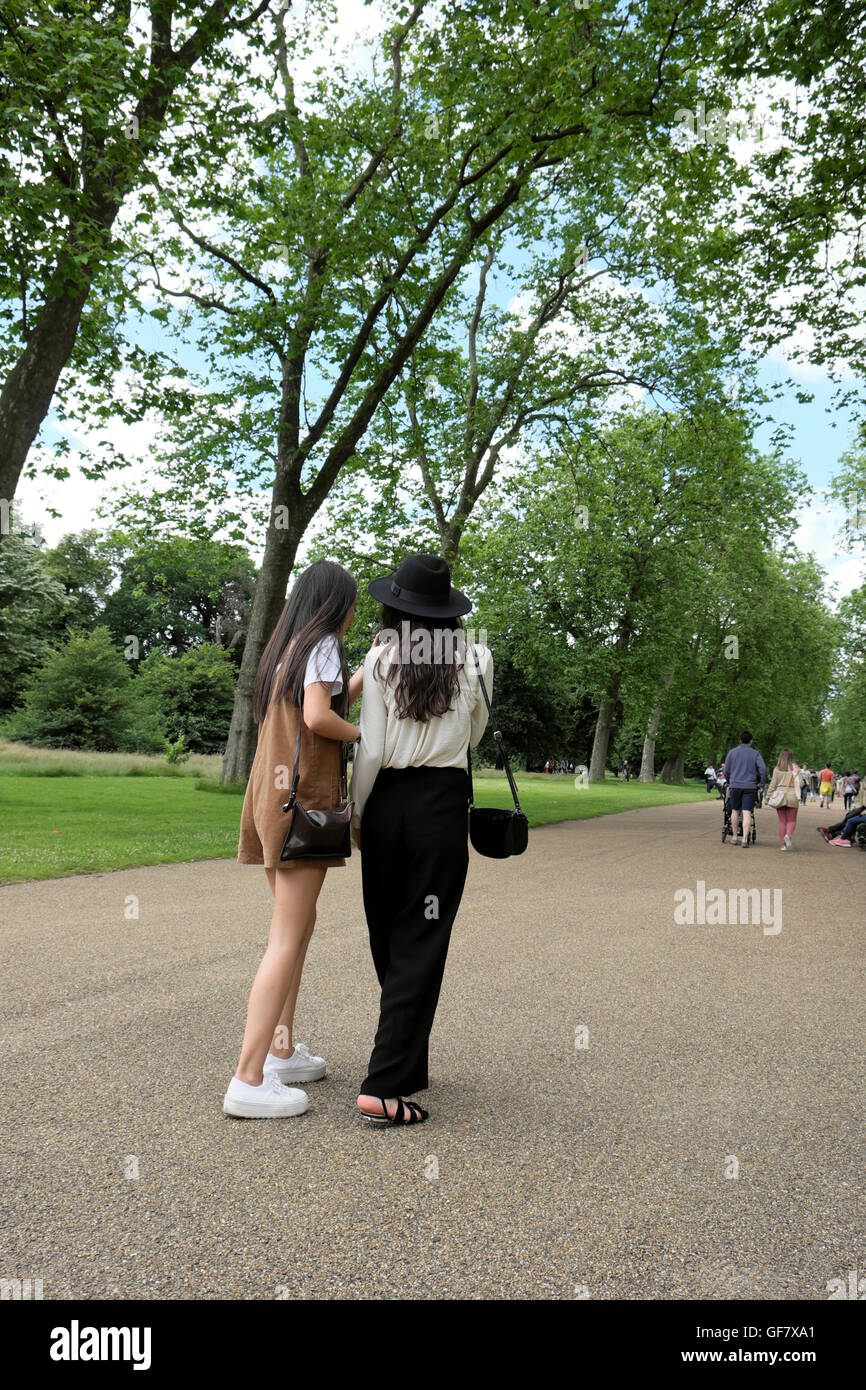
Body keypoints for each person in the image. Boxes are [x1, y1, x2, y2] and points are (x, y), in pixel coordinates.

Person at [350, 554, 492, 1126]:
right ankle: (389, 1078)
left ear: (396, 607)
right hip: (439, 806)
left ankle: (396, 1068)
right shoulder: (478, 657)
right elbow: (476, 734)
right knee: (423, 938)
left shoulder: (380, 658)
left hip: (386, 803)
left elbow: (374, 749)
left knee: (388, 932)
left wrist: (358, 813)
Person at [224, 560, 364, 1119]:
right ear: (336, 604)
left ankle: (280, 1052)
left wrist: (365, 678)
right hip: (303, 803)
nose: (355, 614)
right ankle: (248, 1078)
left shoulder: (288, 648)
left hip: (269, 798)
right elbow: (317, 717)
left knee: (296, 928)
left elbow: (321, 699)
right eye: (352, 603)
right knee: (286, 937)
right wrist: (364, 732)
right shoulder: (326, 641)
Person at [721, 730, 767, 847]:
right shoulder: (755, 754)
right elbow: (763, 770)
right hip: (750, 786)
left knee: (735, 810)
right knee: (747, 812)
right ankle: (745, 839)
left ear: (740, 740)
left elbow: (726, 771)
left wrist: (730, 780)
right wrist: (761, 784)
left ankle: (735, 837)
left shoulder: (732, 753)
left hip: (735, 785)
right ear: (751, 741)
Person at [764, 748, 802, 851]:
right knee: (792, 820)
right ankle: (788, 836)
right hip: (792, 796)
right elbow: (801, 783)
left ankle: (783, 845)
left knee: (782, 821)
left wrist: (767, 797)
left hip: (780, 796)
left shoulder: (777, 769)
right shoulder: (795, 768)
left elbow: (772, 785)